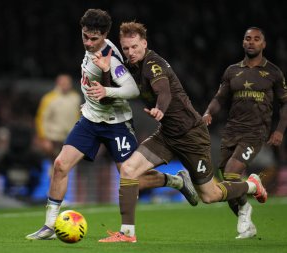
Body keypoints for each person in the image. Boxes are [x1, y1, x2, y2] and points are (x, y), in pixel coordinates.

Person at [25, 9, 197, 241]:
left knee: (130, 178)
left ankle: (175, 180)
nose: (88, 42)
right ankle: (49, 225)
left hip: (117, 124)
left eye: (94, 38)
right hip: (90, 120)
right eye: (85, 36)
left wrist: (106, 89)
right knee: (60, 165)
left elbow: (132, 89)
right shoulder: (91, 48)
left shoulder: (111, 57)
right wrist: (89, 101)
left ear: (105, 35)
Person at [89, 22, 268, 243]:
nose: (130, 52)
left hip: (191, 135)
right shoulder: (129, 66)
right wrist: (106, 72)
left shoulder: (153, 64)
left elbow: (164, 92)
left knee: (210, 195)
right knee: (128, 169)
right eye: (126, 48)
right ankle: (127, 233)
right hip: (166, 135)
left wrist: (160, 110)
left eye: (135, 47)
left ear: (144, 43)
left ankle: (252, 185)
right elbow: (109, 98)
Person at [202, 27, 287, 239]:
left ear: (263, 44)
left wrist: (279, 130)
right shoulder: (232, 71)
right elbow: (219, 98)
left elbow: (285, 104)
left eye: (257, 39)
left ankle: (252, 186)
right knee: (226, 180)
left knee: (232, 173)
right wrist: (208, 113)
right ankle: (245, 213)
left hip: (256, 132)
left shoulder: (274, 72)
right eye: (248, 39)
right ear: (243, 43)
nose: (252, 42)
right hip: (231, 130)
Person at [35, 74, 81, 162]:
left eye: (67, 83)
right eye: (63, 83)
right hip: (53, 138)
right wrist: (43, 138)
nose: (65, 85)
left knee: (68, 164)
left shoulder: (75, 98)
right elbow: (41, 119)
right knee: (54, 164)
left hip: (70, 138)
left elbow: (78, 117)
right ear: (57, 83)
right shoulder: (49, 98)